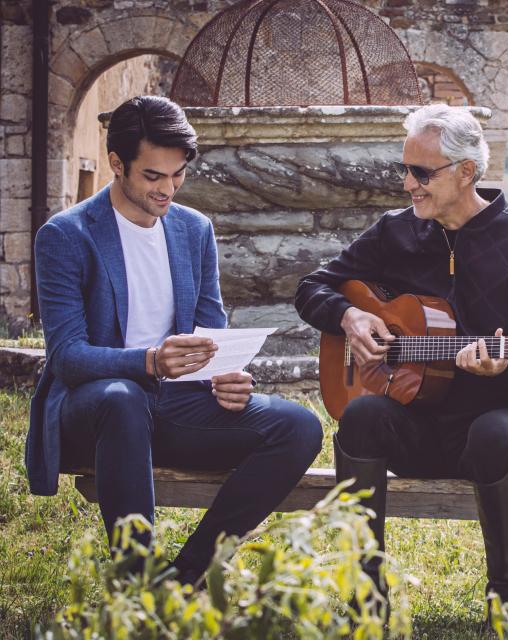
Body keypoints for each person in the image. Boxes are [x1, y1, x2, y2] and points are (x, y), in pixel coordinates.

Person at [295, 103, 508, 623]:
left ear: (466, 172)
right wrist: (351, 316)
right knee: (359, 417)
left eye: (420, 173)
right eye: (405, 170)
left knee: (494, 433)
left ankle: (505, 602)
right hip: (419, 427)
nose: (408, 185)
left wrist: (507, 366)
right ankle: (366, 596)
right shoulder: (395, 232)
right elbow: (312, 287)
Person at [25, 96, 324, 584]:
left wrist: (227, 375)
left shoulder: (193, 229)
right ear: (116, 163)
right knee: (123, 400)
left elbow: (210, 331)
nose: (168, 189)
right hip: (96, 410)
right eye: (152, 176)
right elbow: (68, 358)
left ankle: (187, 573)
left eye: (177, 174)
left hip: (176, 406)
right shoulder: (66, 234)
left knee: (299, 427)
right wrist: (149, 362)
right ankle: (137, 578)